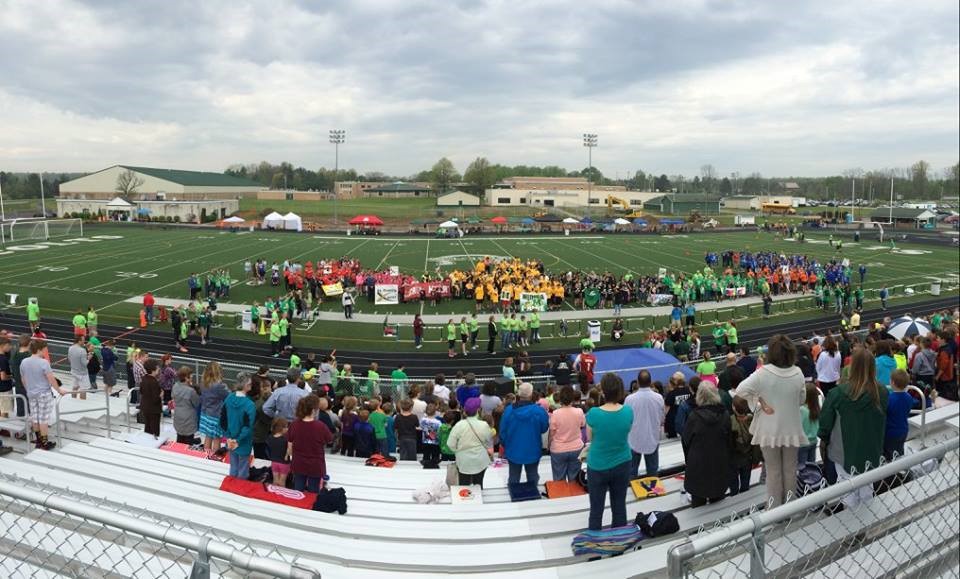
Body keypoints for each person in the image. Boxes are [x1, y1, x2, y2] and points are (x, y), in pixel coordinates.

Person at [734, 334, 806, 508]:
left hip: (769, 429)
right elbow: (802, 399)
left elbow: (741, 390)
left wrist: (761, 402)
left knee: (773, 472)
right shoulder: (798, 372)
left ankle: (774, 510)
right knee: (790, 470)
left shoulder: (763, 374)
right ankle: (790, 507)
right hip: (791, 427)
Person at [819, 347, 888, 509]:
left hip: (845, 453)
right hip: (871, 450)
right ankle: (864, 527)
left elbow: (824, 427)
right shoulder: (882, 392)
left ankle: (854, 529)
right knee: (866, 489)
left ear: (852, 367)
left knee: (848, 491)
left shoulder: (837, 394)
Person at [585, 374, 633, 531]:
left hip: (598, 466)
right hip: (622, 464)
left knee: (596, 509)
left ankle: (594, 550)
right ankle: (619, 545)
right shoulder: (628, 411)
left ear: (603, 391)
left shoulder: (593, 413)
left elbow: (590, 438)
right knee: (619, 506)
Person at [682, 385, 731, 507]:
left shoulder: (694, 417)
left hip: (697, 466)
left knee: (698, 505)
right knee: (718, 504)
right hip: (719, 463)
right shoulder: (724, 415)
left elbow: (686, 441)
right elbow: (729, 439)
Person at [499, 382, 549, 486]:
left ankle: (514, 496)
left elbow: (502, 431)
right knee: (532, 476)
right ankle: (532, 497)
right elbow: (544, 428)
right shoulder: (539, 411)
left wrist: (506, 445)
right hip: (533, 450)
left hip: (513, 450)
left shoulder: (509, 411)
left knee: (513, 477)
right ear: (531, 394)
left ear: (518, 394)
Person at [22, 340, 69, 450]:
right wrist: (59, 390)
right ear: (39, 350)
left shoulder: (24, 362)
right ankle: (44, 443)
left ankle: (38, 441)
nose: (45, 352)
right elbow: (51, 379)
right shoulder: (43, 363)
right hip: (43, 394)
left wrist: (29, 390)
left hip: (31, 393)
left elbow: (23, 379)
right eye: (44, 350)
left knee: (35, 417)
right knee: (43, 419)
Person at [287, 394, 334, 492]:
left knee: (298, 488)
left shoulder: (294, 424)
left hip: (298, 462)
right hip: (315, 464)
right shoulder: (321, 426)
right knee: (313, 490)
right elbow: (329, 439)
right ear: (313, 410)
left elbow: (290, 443)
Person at [624, 370, 665, 478]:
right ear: (650, 382)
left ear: (637, 382)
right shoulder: (659, 398)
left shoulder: (629, 399)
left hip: (634, 440)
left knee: (631, 474)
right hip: (652, 438)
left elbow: (626, 420)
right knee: (652, 473)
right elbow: (662, 419)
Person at [448, 397, 495, 487]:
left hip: (463, 461)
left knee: (464, 486)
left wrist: (458, 451)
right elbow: (488, 443)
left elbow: (450, 444)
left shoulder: (459, 425)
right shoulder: (484, 425)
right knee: (478, 484)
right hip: (480, 461)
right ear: (478, 410)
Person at [548, 385, 585, 482]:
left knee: (559, 481)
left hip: (558, 450)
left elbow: (552, 433)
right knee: (575, 481)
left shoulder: (555, 414)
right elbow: (582, 424)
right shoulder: (579, 411)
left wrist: (549, 445)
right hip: (576, 448)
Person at [224, 375, 256, 479]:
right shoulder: (249, 405)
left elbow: (223, 419)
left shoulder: (229, 398)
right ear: (246, 385)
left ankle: (231, 487)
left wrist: (228, 437)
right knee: (243, 469)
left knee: (233, 466)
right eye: (250, 384)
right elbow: (248, 426)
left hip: (231, 439)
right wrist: (238, 440)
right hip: (243, 441)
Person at [198, 362, 230, 457]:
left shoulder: (203, 382)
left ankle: (206, 455)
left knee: (208, 436)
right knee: (217, 438)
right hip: (215, 415)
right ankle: (216, 457)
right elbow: (228, 396)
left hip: (205, 413)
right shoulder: (219, 385)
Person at [729, 397, 757, 496]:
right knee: (745, 485)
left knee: (733, 486)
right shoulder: (753, 420)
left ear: (734, 408)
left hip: (733, 459)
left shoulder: (729, 421)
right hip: (748, 457)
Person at [883, 369, 912, 461]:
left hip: (891, 432)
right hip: (904, 430)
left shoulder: (890, 399)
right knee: (899, 452)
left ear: (892, 382)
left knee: (889, 455)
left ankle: (893, 473)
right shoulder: (909, 397)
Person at [172, 367, 200, 444]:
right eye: (191, 376)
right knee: (188, 441)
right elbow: (197, 403)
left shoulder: (175, 386)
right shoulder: (191, 391)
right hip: (189, 419)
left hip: (178, 416)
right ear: (186, 378)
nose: (192, 378)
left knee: (179, 437)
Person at [139, 359, 163, 437]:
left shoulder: (144, 378)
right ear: (153, 370)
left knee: (147, 427)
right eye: (157, 367)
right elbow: (155, 399)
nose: (159, 369)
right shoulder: (154, 382)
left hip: (145, 407)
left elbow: (141, 391)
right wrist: (161, 395)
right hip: (153, 410)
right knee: (154, 430)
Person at [798, 383, 820, 465]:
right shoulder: (816, 409)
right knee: (812, 467)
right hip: (813, 441)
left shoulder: (801, 410)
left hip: (802, 444)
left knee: (802, 469)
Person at [663, 372, 689, 439]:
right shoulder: (689, 391)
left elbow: (666, 410)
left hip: (673, 422)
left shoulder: (672, 394)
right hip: (687, 419)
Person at [268, 417, 291, 487]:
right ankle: (280, 496)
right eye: (286, 427)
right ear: (281, 428)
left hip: (274, 462)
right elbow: (289, 451)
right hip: (284, 463)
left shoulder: (270, 438)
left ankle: (274, 495)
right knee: (282, 482)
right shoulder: (285, 439)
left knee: (275, 481)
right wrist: (287, 455)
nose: (287, 429)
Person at [67, 335, 90, 401]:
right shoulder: (82, 350)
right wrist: (89, 358)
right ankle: (82, 404)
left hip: (74, 371)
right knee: (83, 389)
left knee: (75, 387)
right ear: (79, 341)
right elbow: (85, 363)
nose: (84, 341)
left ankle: (73, 401)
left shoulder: (70, 348)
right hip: (82, 373)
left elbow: (69, 359)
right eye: (83, 340)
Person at [419, 402, 442, 467]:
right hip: (435, 442)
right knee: (435, 457)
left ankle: (426, 467)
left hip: (425, 441)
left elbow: (421, 427)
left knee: (426, 456)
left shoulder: (423, 420)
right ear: (435, 412)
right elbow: (439, 431)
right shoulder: (438, 422)